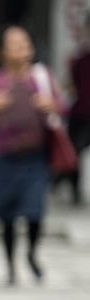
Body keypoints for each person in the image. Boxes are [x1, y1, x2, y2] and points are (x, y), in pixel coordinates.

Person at [0, 26, 61, 285]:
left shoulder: (42, 79)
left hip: (34, 156)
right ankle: (11, 266)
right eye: (14, 44)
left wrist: (51, 105)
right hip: (3, 157)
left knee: (35, 212)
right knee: (7, 215)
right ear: (3, 52)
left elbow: (61, 108)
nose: (20, 50)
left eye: (24, 44)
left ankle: (32, 254)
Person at [67, 17, 90, 205]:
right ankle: (73, 190)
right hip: (82, 114)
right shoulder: (80, 60)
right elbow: (73, 86)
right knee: (73, 153)